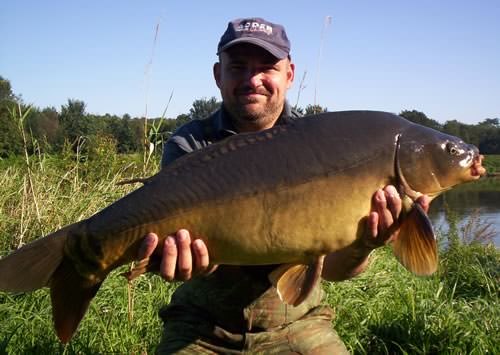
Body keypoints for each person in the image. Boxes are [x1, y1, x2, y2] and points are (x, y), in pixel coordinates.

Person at [137, 17, 430, 354]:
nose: (252, 79)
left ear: (289, 75)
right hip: (201, 327)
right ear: (218, 75)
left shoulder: (322, 148)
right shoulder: (190, 144)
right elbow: (169, 248)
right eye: (238, 67)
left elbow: (334, 270)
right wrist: (175, 259)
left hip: (297, 323)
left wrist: (364, 244)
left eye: (266, 67)